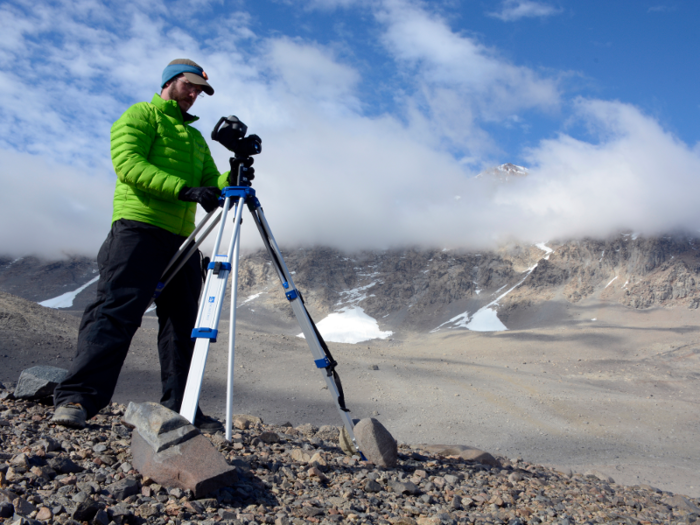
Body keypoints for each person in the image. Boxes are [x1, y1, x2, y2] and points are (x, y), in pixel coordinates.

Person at [52, 58, 228, 431]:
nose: (194, 94)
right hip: (138, 229)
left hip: (183, 241)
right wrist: (184, 190)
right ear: (169, 82)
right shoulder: (141, 115)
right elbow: (128, 164)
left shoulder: (195, 139)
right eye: (189, 85)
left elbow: (212, 182)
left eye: (199, 91)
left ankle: (183, 407)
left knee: (183, 324)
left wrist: (235, 172)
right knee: (115, 313)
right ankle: (76, 399)